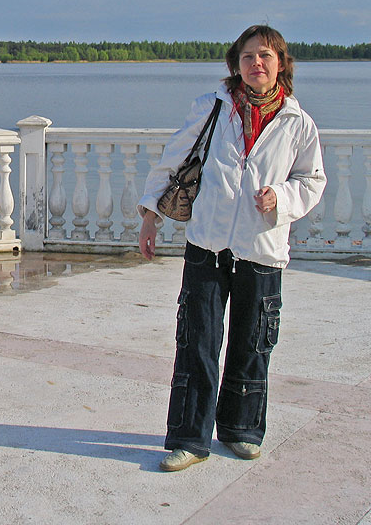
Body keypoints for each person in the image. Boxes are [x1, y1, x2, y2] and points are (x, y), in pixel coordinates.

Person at [138, 24, 327, 472]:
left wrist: (281, 197)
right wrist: (150, 215)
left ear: (281, 64)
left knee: (253, 343)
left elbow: (312, 180)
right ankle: (190, 439)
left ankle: (241, 430)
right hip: (207, 244)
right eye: (247, 56)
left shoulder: (298, 122)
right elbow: (174, 158)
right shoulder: (211, 108)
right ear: (235, 64)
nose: (256, 63)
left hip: (261, 248)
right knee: (197, 342)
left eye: (265, 56)